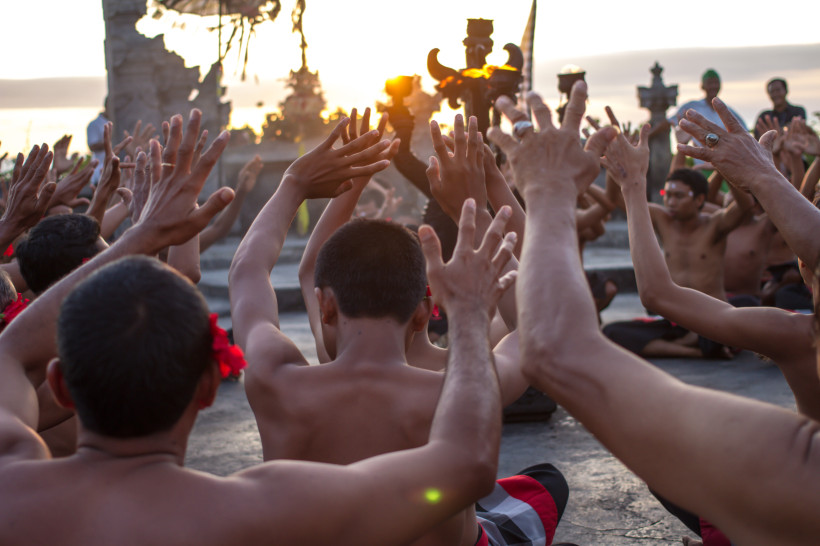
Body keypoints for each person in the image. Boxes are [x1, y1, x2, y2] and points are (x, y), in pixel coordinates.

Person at [0, 110, 507, 546]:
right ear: (205, 386)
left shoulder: (11, 483)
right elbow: (466, 461)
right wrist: (469, 307)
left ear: (60, 385)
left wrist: (143, 235)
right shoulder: (260, 508)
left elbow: (7, 354)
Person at [489, 82, 820, 544]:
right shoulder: (795, 337)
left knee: (669, 462)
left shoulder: (794, 450)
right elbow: (659, 293)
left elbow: (555, 348)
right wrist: (635, 186)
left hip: (791, 510)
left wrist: (546, 190)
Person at [230, 115, 566, 546]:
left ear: (326, 305)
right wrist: (474, 207)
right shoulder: (462, 389)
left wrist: (294, 182)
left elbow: (247, 271)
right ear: (425, 313)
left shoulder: (276, 380)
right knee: (540, 486)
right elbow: (541, 322)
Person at [602, 149, 752, 357]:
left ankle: (698, 343)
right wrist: (615, 167)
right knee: (612, 333)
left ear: (699, 200)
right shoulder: (661, 218)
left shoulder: (715, 224)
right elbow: (617, 199)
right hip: (675, 319)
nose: (670, 202)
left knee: (723, 332)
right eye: (667, 195)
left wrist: (727, 169)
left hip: (711, 317)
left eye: (678, 196)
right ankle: (692, 351)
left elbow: (745, 207)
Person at [673, 70, 747, 146]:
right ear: (702, 86)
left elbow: (744, 133)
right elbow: (671, 121)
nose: (713, 86)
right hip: (700, 156)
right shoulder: (692, 107)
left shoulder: (728, 112)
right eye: (710, 83)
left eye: (716, 82)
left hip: (725, 156)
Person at [86, 98, 110, 186]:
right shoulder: (94, 124)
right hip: (100, 173)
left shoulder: (121, 122)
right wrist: (110, 141)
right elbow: (92, 146)